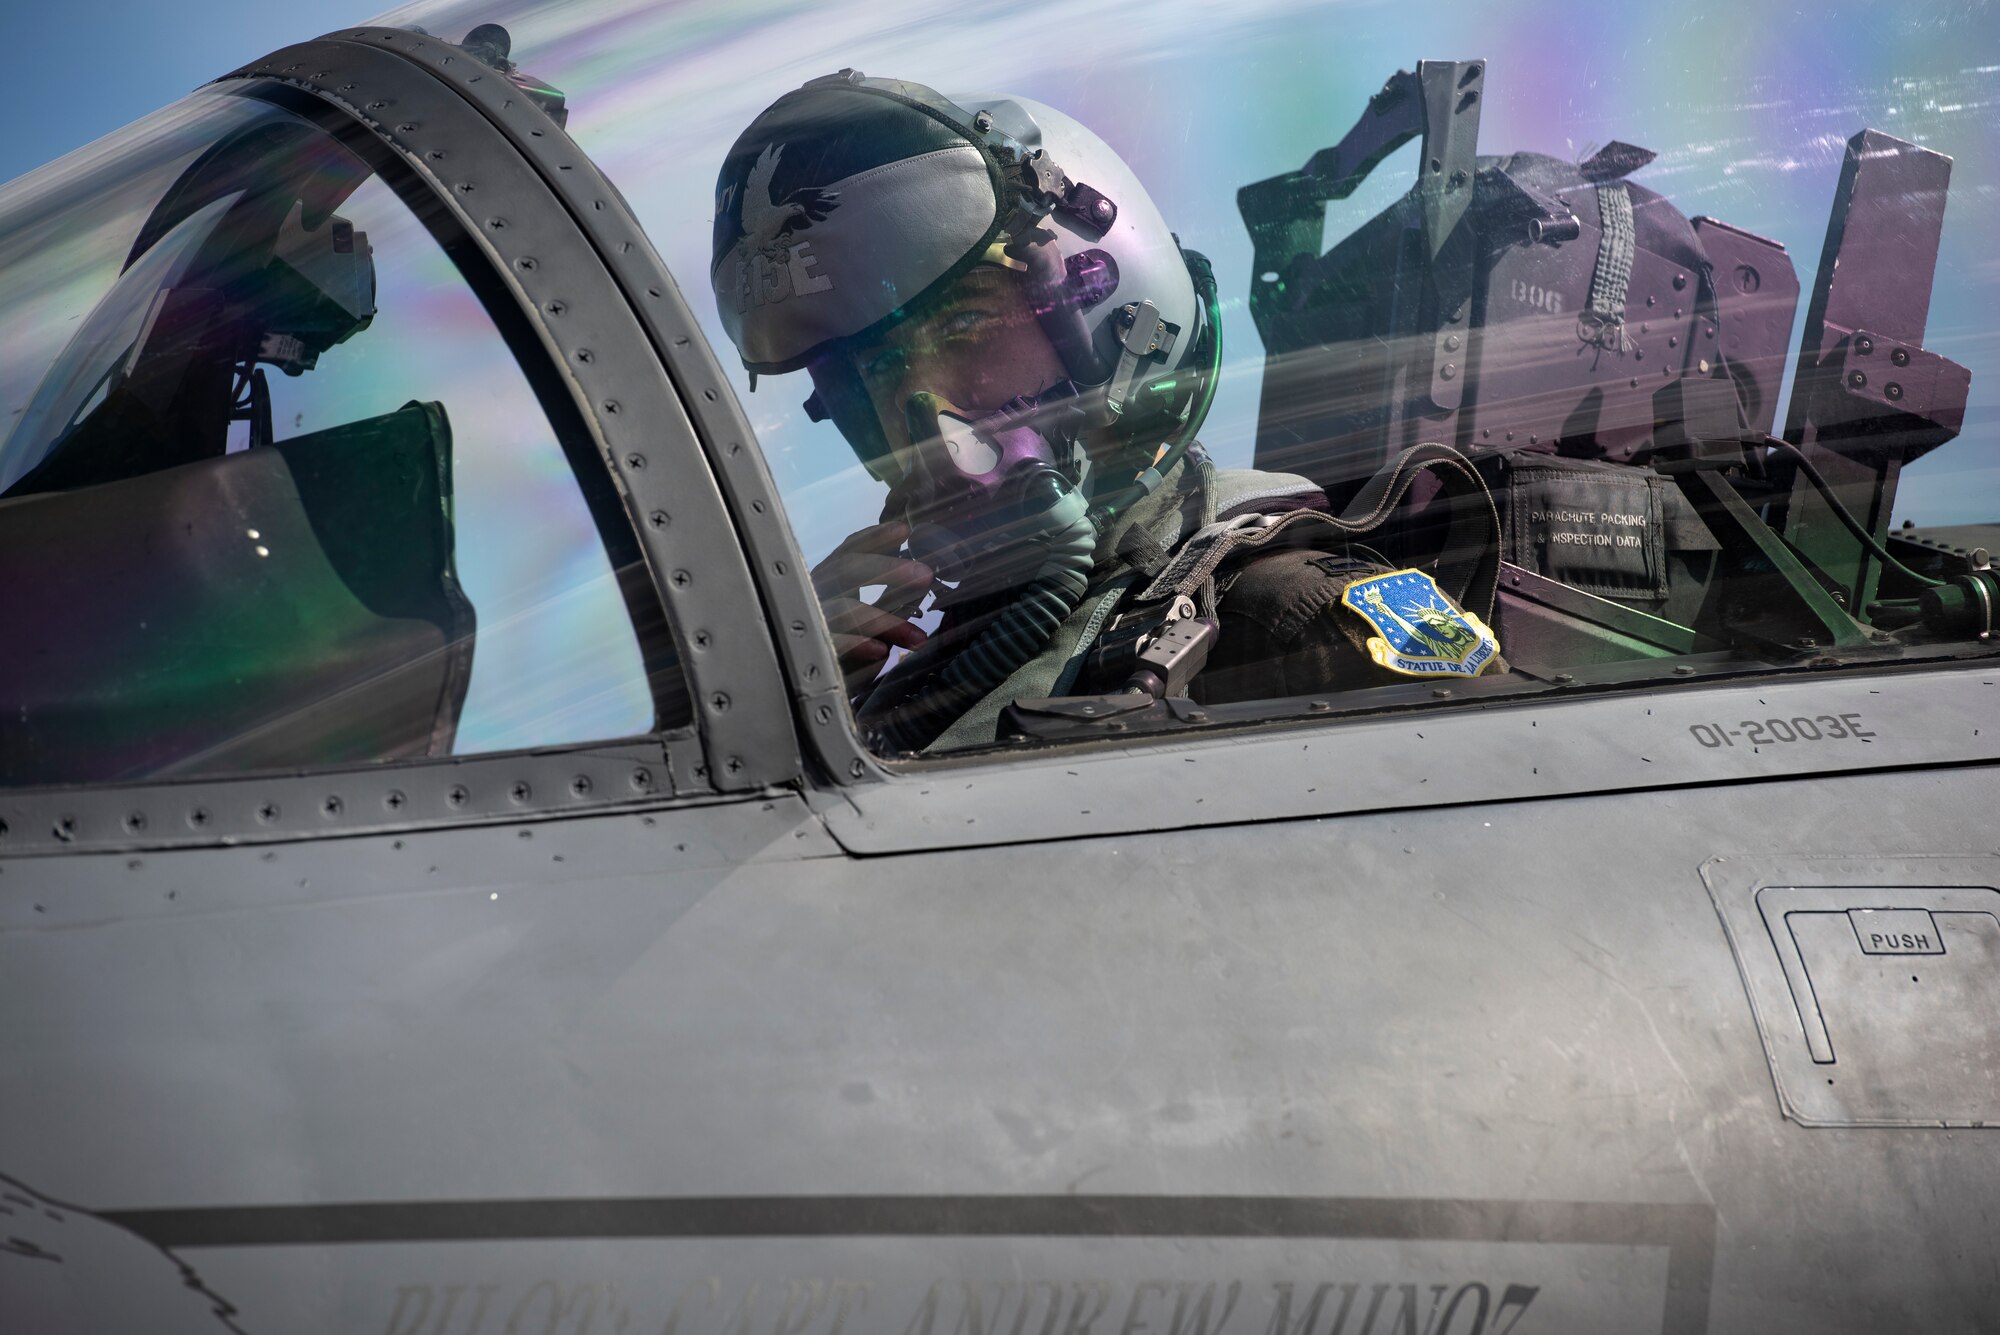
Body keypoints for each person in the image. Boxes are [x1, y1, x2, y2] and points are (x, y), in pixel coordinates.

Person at [709, 71, 1503, 754]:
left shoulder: (1289, 617)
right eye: (877, 370)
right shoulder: (906, 676)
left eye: (964, 328)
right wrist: (785, 705)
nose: (921, 407)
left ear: (1124, 320)